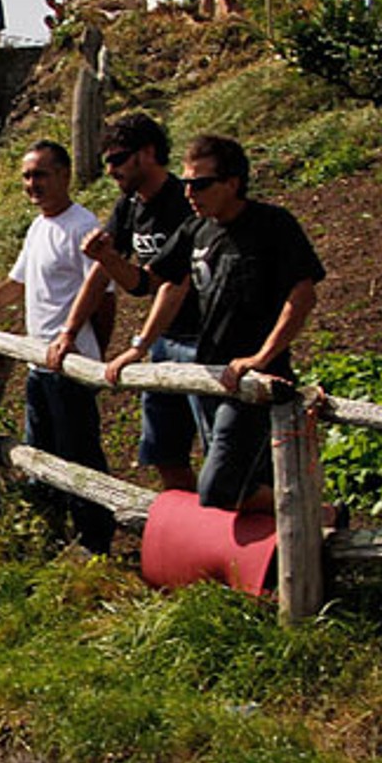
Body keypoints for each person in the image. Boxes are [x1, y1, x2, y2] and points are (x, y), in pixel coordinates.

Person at [104, 135, 326, 514]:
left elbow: (302, 296)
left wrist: (261, 356)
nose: (190, 192)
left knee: (220, 489)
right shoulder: (196, 230)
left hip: (256, 381)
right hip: (212, 377)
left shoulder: (272, 224)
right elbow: (147, 283)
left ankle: (320, 515)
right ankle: (278, 562)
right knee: (255, 477)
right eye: (187, 182)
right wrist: (106, 259)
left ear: (233, 183)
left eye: (201, 183)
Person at [0, 141, 115, 554]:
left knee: (79, 453)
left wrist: (91, 353)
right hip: (39, 362)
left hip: (69, 364)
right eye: (27, 176)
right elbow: (17, 284)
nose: (33, 184)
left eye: (40, 174)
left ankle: (96, 541)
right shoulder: (39, 227)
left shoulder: (81, 226)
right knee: (42, 450)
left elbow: (105, 295)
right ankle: (49, 531)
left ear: (64, 175)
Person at [48, 114, 204, 492]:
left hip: (204, 339)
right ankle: (194, 534)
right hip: (166, 339)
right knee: (164, 453)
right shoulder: (129, 206)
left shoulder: (184, 203)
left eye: (118, 158)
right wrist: (68, 332)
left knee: (224, 461)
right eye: (106, 161)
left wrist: (138, 346)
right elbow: (105, 275)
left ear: (148, 153)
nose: (110, 169)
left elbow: (167, 284)